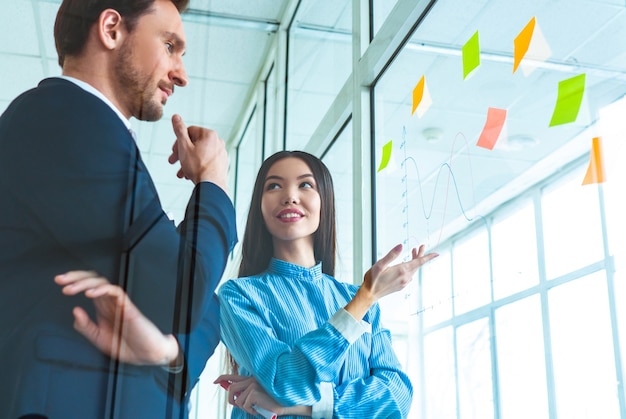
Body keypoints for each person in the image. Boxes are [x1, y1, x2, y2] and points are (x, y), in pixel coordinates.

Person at [0, 0, 237, 417]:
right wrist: (213, 181)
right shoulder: (66, 121)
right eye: (169, 45)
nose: (181, 74)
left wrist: (166, 347)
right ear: (111, 29)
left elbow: (186, 307)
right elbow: (185, 293)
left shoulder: (94, 133)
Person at [214, 151, 439, 418]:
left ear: (325, 202)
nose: (290, 196)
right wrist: (363, 299)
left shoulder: (357, 297)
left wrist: (303, 407)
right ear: (259, 206)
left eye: (305, 184)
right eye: (273, 185)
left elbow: (396, 397)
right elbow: (287, 382)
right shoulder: (238, 295)